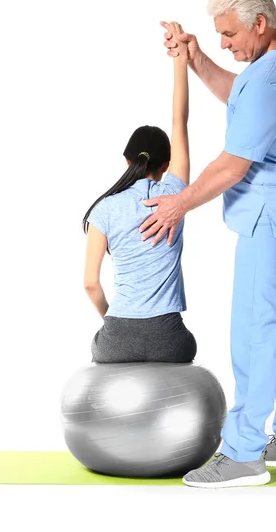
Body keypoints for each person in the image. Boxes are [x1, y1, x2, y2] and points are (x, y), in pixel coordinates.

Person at [139, 0, 276, 488]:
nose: (223, 44)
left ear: (259, 23)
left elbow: (231, 165)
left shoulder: (268, 81)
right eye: (216, 36)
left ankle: (242, 454)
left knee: (255, 333)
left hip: (267, 221)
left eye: (228, 34)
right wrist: (194, 59)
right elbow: (240, 99)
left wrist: (178, 204)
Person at [83, 23, 196, 364]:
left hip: (118, 335)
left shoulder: (103, 209)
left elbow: (91, 284)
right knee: (187, 344)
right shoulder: (174, 194)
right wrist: (179, 58)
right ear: (168, 164)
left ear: (127, 160)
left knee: (101, 344)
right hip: (169, 338)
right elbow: (180, 120)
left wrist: (114, 327)